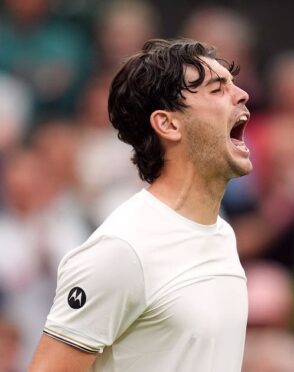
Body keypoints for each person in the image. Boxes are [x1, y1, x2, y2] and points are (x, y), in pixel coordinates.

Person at [29, 38, 252, 372]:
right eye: (217, 89)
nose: (242, 94)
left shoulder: (222, 234)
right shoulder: (122, 249)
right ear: (168, 124)